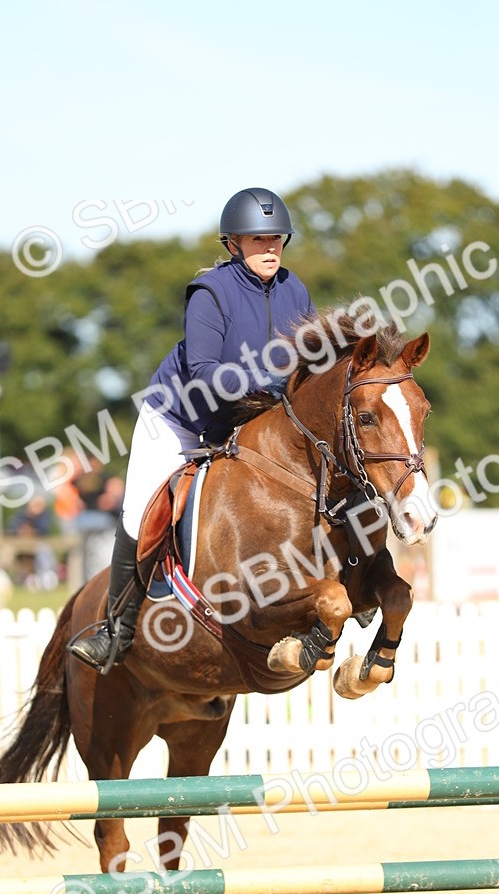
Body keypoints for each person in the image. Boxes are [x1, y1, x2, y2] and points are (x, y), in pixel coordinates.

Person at [70, 187, 315, 672]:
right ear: (234, 243)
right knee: (141, 511)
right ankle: (115, 631)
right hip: (179, 420)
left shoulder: (295, 291)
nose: (270, 248)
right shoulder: (210, 293)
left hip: (243, 424)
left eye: (276, 239)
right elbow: (204, 372)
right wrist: (268, 379)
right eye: (258, 239)